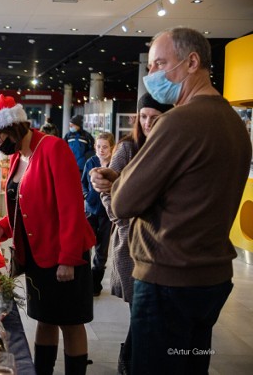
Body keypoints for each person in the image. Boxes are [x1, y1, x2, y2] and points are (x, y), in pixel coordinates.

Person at [91, 27, 251, 375]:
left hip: (169, 280)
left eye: (159, 64)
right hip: (209, 278)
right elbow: (190, 192)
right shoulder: (232, 122)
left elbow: (123, 204)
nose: (152, 76)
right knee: (190, 365)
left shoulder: (179, 121)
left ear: (192, 62)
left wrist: (117, 185)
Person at [0, 94, 95, 375]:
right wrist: (3, 227)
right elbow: (26, 203)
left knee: (70, 321)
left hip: (64, 251)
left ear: (12, 128)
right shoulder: (19, 156)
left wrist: (68, 258)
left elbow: (70, 208)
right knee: (44, 318)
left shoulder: (53, 148)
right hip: (36, 252)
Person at [98, 93, 172, 374]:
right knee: (141, 312)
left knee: (151, 316)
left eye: (155, 117)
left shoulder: (170, 146)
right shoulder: (128, 148)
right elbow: (105, 188)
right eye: (143, 117)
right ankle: (129, 362)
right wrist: (121, 219)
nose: (148, 122)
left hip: (162, 245)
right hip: (131, 243)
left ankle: (133, 360)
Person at [81, 131, 115, 297]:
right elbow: (83, 184)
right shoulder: (90, 162)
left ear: (112, 148)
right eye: (99, 146)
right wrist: (86, 195)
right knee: (85, 246)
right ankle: (84, 281)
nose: (101, 150)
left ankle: (95, 283)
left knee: (102, 250)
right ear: (95, 147)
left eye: (105, 147)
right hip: (90, 210)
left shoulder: (115, 165)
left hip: (107, 213)